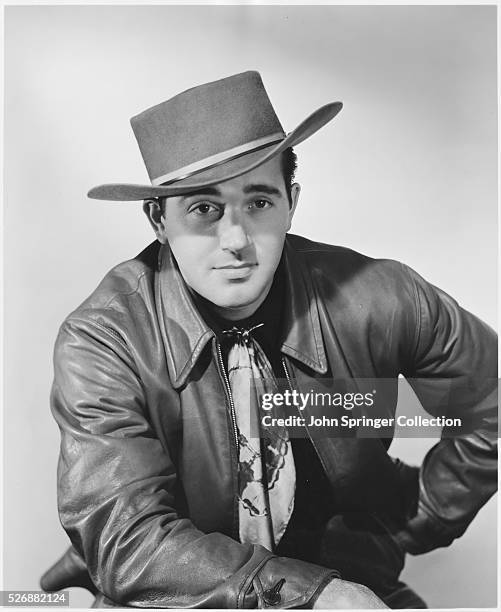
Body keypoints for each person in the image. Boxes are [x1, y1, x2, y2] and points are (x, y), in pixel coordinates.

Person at [41, 71, 497, 609]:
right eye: (204, 209)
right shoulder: (105, 338)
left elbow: (488, 400)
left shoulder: (380, 298)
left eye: (258, 202)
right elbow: (129, 543)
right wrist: (312, 595)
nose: (236, 241)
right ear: (158, 220)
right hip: (169, 596)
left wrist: (411, 520)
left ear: (291, 202)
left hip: (347, 580)